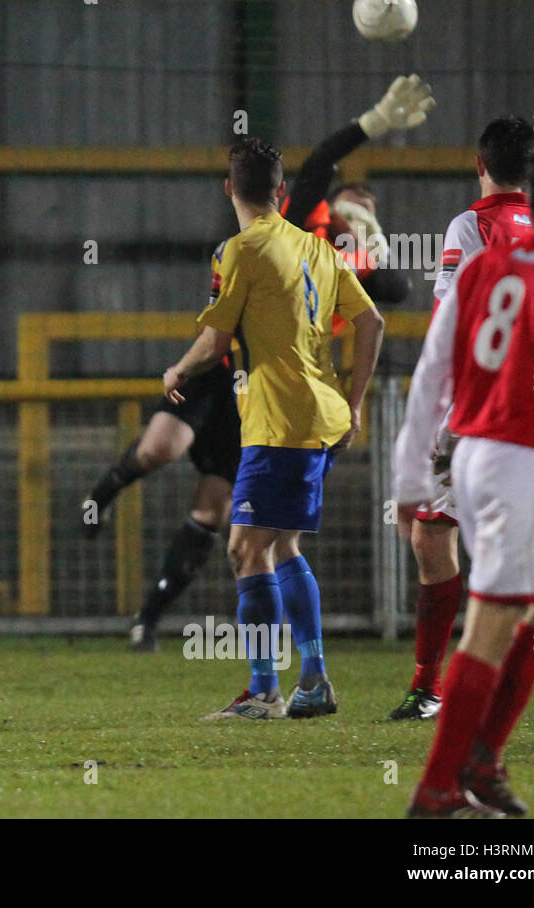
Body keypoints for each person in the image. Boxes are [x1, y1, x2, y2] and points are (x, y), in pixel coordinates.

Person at [85, 75, 430, 653]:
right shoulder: (306, 233)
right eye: (350, 203)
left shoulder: (304, 252)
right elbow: (325, 170)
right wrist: (372, 122)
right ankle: (300, 675)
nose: (354, 211)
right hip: (267, 391)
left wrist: (373, 241)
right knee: (229, 509)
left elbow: (388, 294)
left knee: (242, 536)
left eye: (364, 210)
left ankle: (242, 667)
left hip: (270, 399)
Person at [395, 144, 534, 817]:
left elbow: (431, 371)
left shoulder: (486, 269)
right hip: (524, 464)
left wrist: (409, 472)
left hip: (475, 454)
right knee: (492, 626)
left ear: (530, 202)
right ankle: (437, 788)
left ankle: (480, 759)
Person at [162, 138, 385, 720]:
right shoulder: (316, 249)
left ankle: (271, 689)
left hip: (279, 422)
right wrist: (355, 404)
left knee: (243, 548)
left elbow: (213, 344)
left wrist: (177, 370)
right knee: (278, 544)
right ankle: (304, 682)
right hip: (321, 417)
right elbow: (374, 321)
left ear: (228, 188)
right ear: (282, 193)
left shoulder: (240, 251)